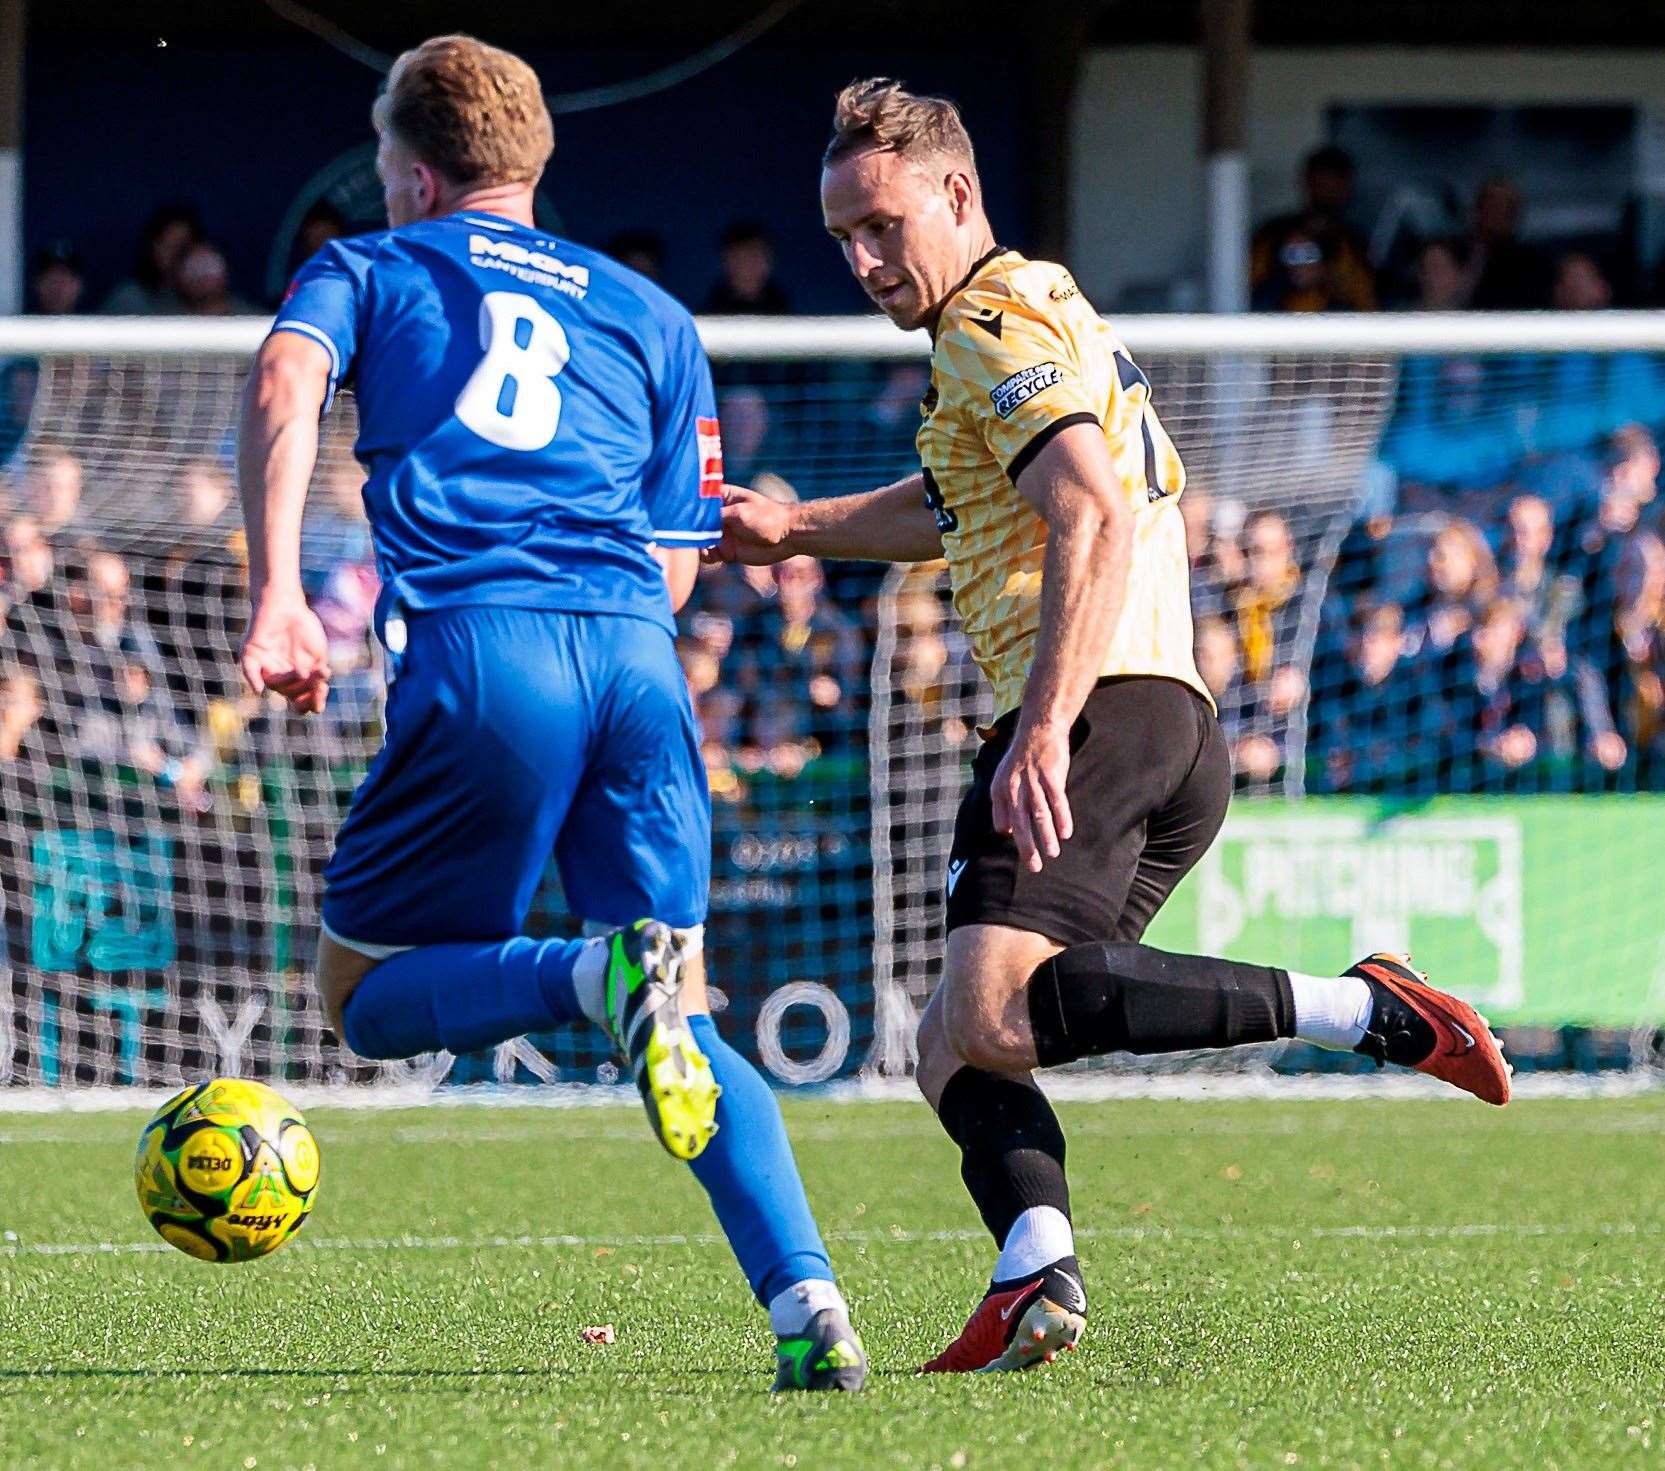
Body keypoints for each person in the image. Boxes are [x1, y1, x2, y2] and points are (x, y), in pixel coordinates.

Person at [714, 76, 1510, 1376]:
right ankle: (1035, 1264)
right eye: (841, 236)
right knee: (952, 1034)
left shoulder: (990, 316)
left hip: (1102, 703)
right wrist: (796, 527)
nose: (862, 258)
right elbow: (973, 496)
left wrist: (1041, 725)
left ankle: (1360, 1009)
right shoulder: (1027, 309)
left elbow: (1088, 506)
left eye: (880, 224)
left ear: (956, 193)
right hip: (1157, 712)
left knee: (999, 1014)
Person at [238, 34, 864, 1392]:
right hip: (638, 658)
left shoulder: (368, 266)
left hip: (485, 653)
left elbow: (286, 379)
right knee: (682, 1015)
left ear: (408, 173)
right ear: (533, 162)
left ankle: (590, 974)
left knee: (364, 997)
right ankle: (808, 1300)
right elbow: (684, 542)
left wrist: (280, 590)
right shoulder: (652, 314)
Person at [102, 204, 202, 315]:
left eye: (183, 247)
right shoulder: (129, 299)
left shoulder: (210, 299)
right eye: (170, 246)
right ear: (152, 249)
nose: (177, 255)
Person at [703, 222, 791, 314]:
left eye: (758, 255)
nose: (751, 264)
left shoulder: (786, 313)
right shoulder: (707, 317)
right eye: (743, 257)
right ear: (728, 262)